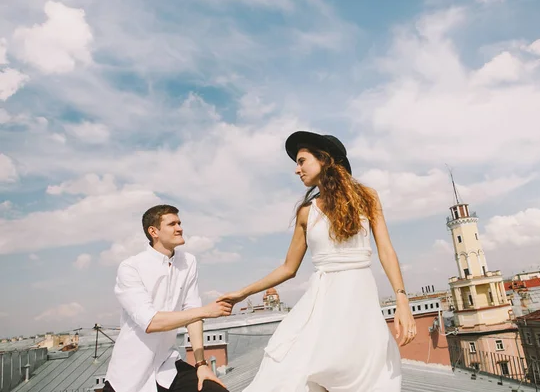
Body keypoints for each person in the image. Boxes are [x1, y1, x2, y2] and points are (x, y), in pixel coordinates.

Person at [218, 131, 417, 392]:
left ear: (324, 159)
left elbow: (386, 251)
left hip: (360, 306)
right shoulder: (305, 212)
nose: (297, 170)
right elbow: (288, 268)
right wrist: (243, 293)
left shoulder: (367, 198)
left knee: (366, 376)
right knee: (295, 373)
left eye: (301, 161)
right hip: (322, 306)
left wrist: (402, 300)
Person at [103, 205, 232, 392]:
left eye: (179, 223)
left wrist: (202, 364)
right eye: (172, 224)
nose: (179, 228)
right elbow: (151, 322)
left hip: (167, 367)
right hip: (130, 375)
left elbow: (192, 313)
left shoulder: (189, 262)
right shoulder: (130, 267)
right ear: (153, 231)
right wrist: (206, 311)